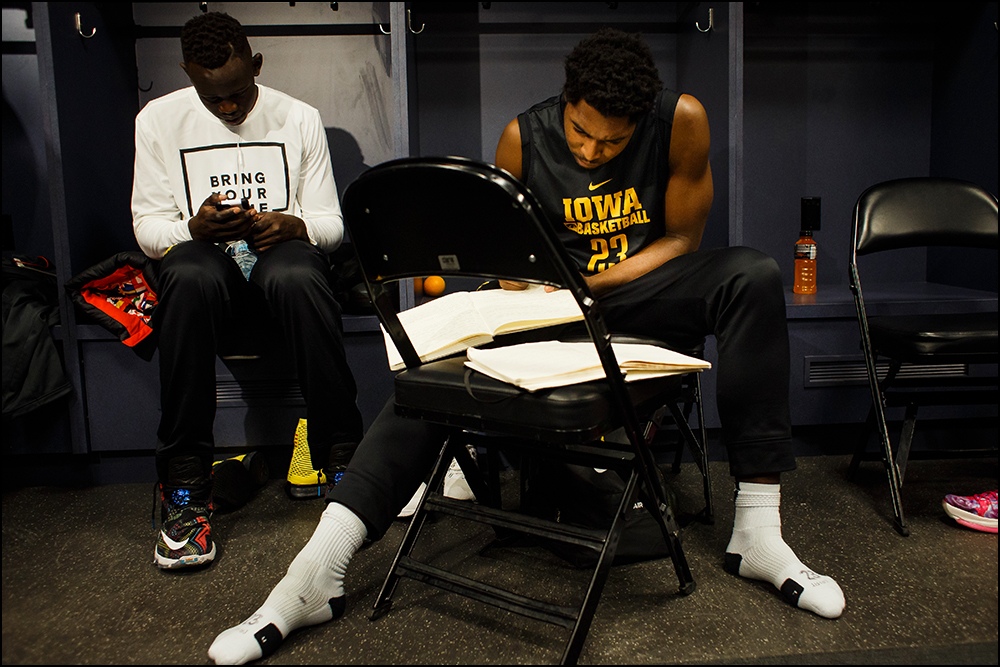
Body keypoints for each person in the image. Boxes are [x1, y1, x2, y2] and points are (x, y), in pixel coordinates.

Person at [207, 28, 844, 665]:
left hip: (637, 293)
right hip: (547, 303)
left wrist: (587, 289)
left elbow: (680, 241)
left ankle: (758, 532)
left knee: (753, 274)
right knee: (439, 369)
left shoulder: (682, 122)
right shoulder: (522, 135)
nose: (593, 151)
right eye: (581, 132)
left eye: (613, 141)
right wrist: (521, 283)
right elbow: (508, 256)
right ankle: (318, 569)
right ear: (565, 102)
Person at [131, 12, 363, 570]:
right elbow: (147, 229)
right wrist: (193, 229)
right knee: (184, 272)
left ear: (255, 65)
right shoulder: (157, 121)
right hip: (206, 283)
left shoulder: (299, 117)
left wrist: (294, 225)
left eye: (239, 92)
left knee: (300, 273)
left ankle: (343, 459)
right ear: (188, 73)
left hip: (278, 276)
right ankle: (185, 488)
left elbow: (331, 225)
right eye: (214, 98)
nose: (230, 108)